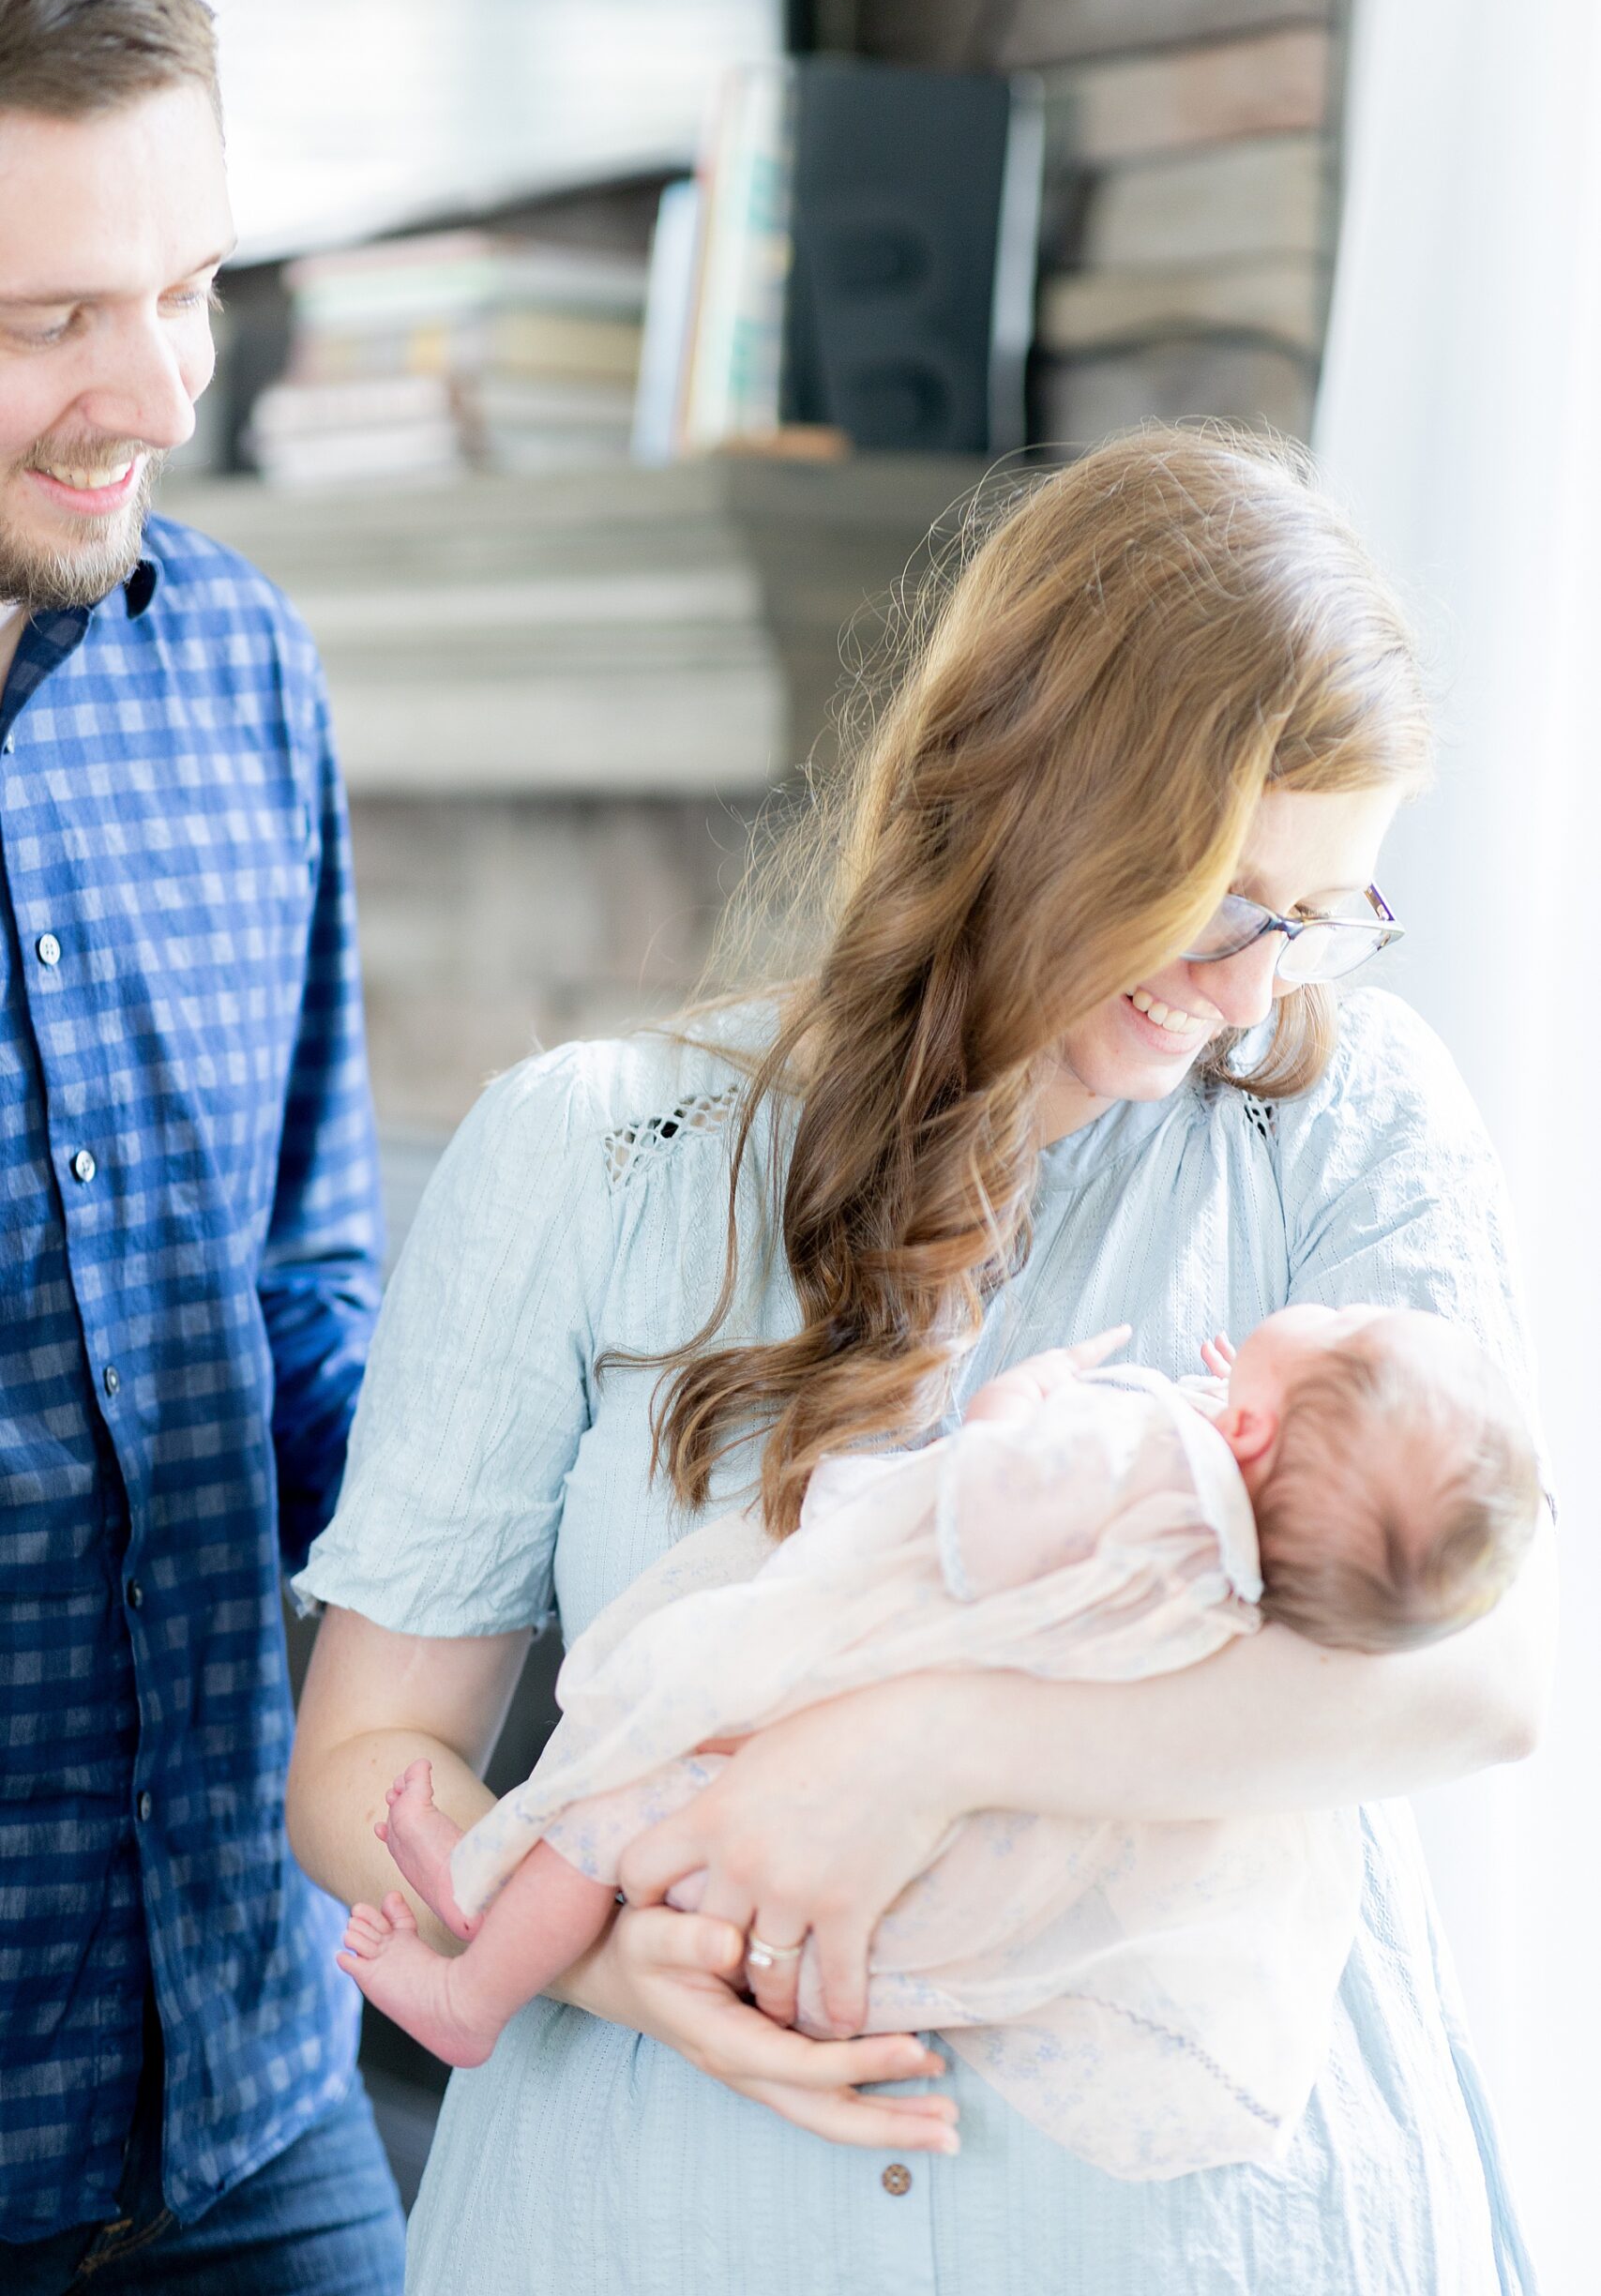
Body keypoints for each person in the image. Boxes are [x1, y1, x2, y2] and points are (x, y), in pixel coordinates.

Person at [288, 424, 1556, 2296]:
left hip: (1231, 2230)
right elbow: (361, 1761)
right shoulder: (588, 1152)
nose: (1248, 987)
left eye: (1312, 918)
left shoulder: (1343, 1119)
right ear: (1033, 792)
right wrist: (599, 1955)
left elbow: (1482, 1676)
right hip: (659, 2219)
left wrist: (916, 1748)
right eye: (1217, 901)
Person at [331, 1299, 1540, 2190]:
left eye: (1337, 1322)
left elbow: (986, 1505)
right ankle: (499, 1903)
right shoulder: (1238, 1586)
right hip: (946, 1909)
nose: (1328, 1306)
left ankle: (470, 1985)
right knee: (637, 1827)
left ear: (1257, 1430)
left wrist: (1034, 1400)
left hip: (821, 1761)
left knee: (614, 1805)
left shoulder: (1145, 1463)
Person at [0, 0, 404, 2288]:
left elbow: (297, 1288)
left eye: (191, 288)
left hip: (253, 2084)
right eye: (49, 316)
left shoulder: (244, 673)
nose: (152, 394)